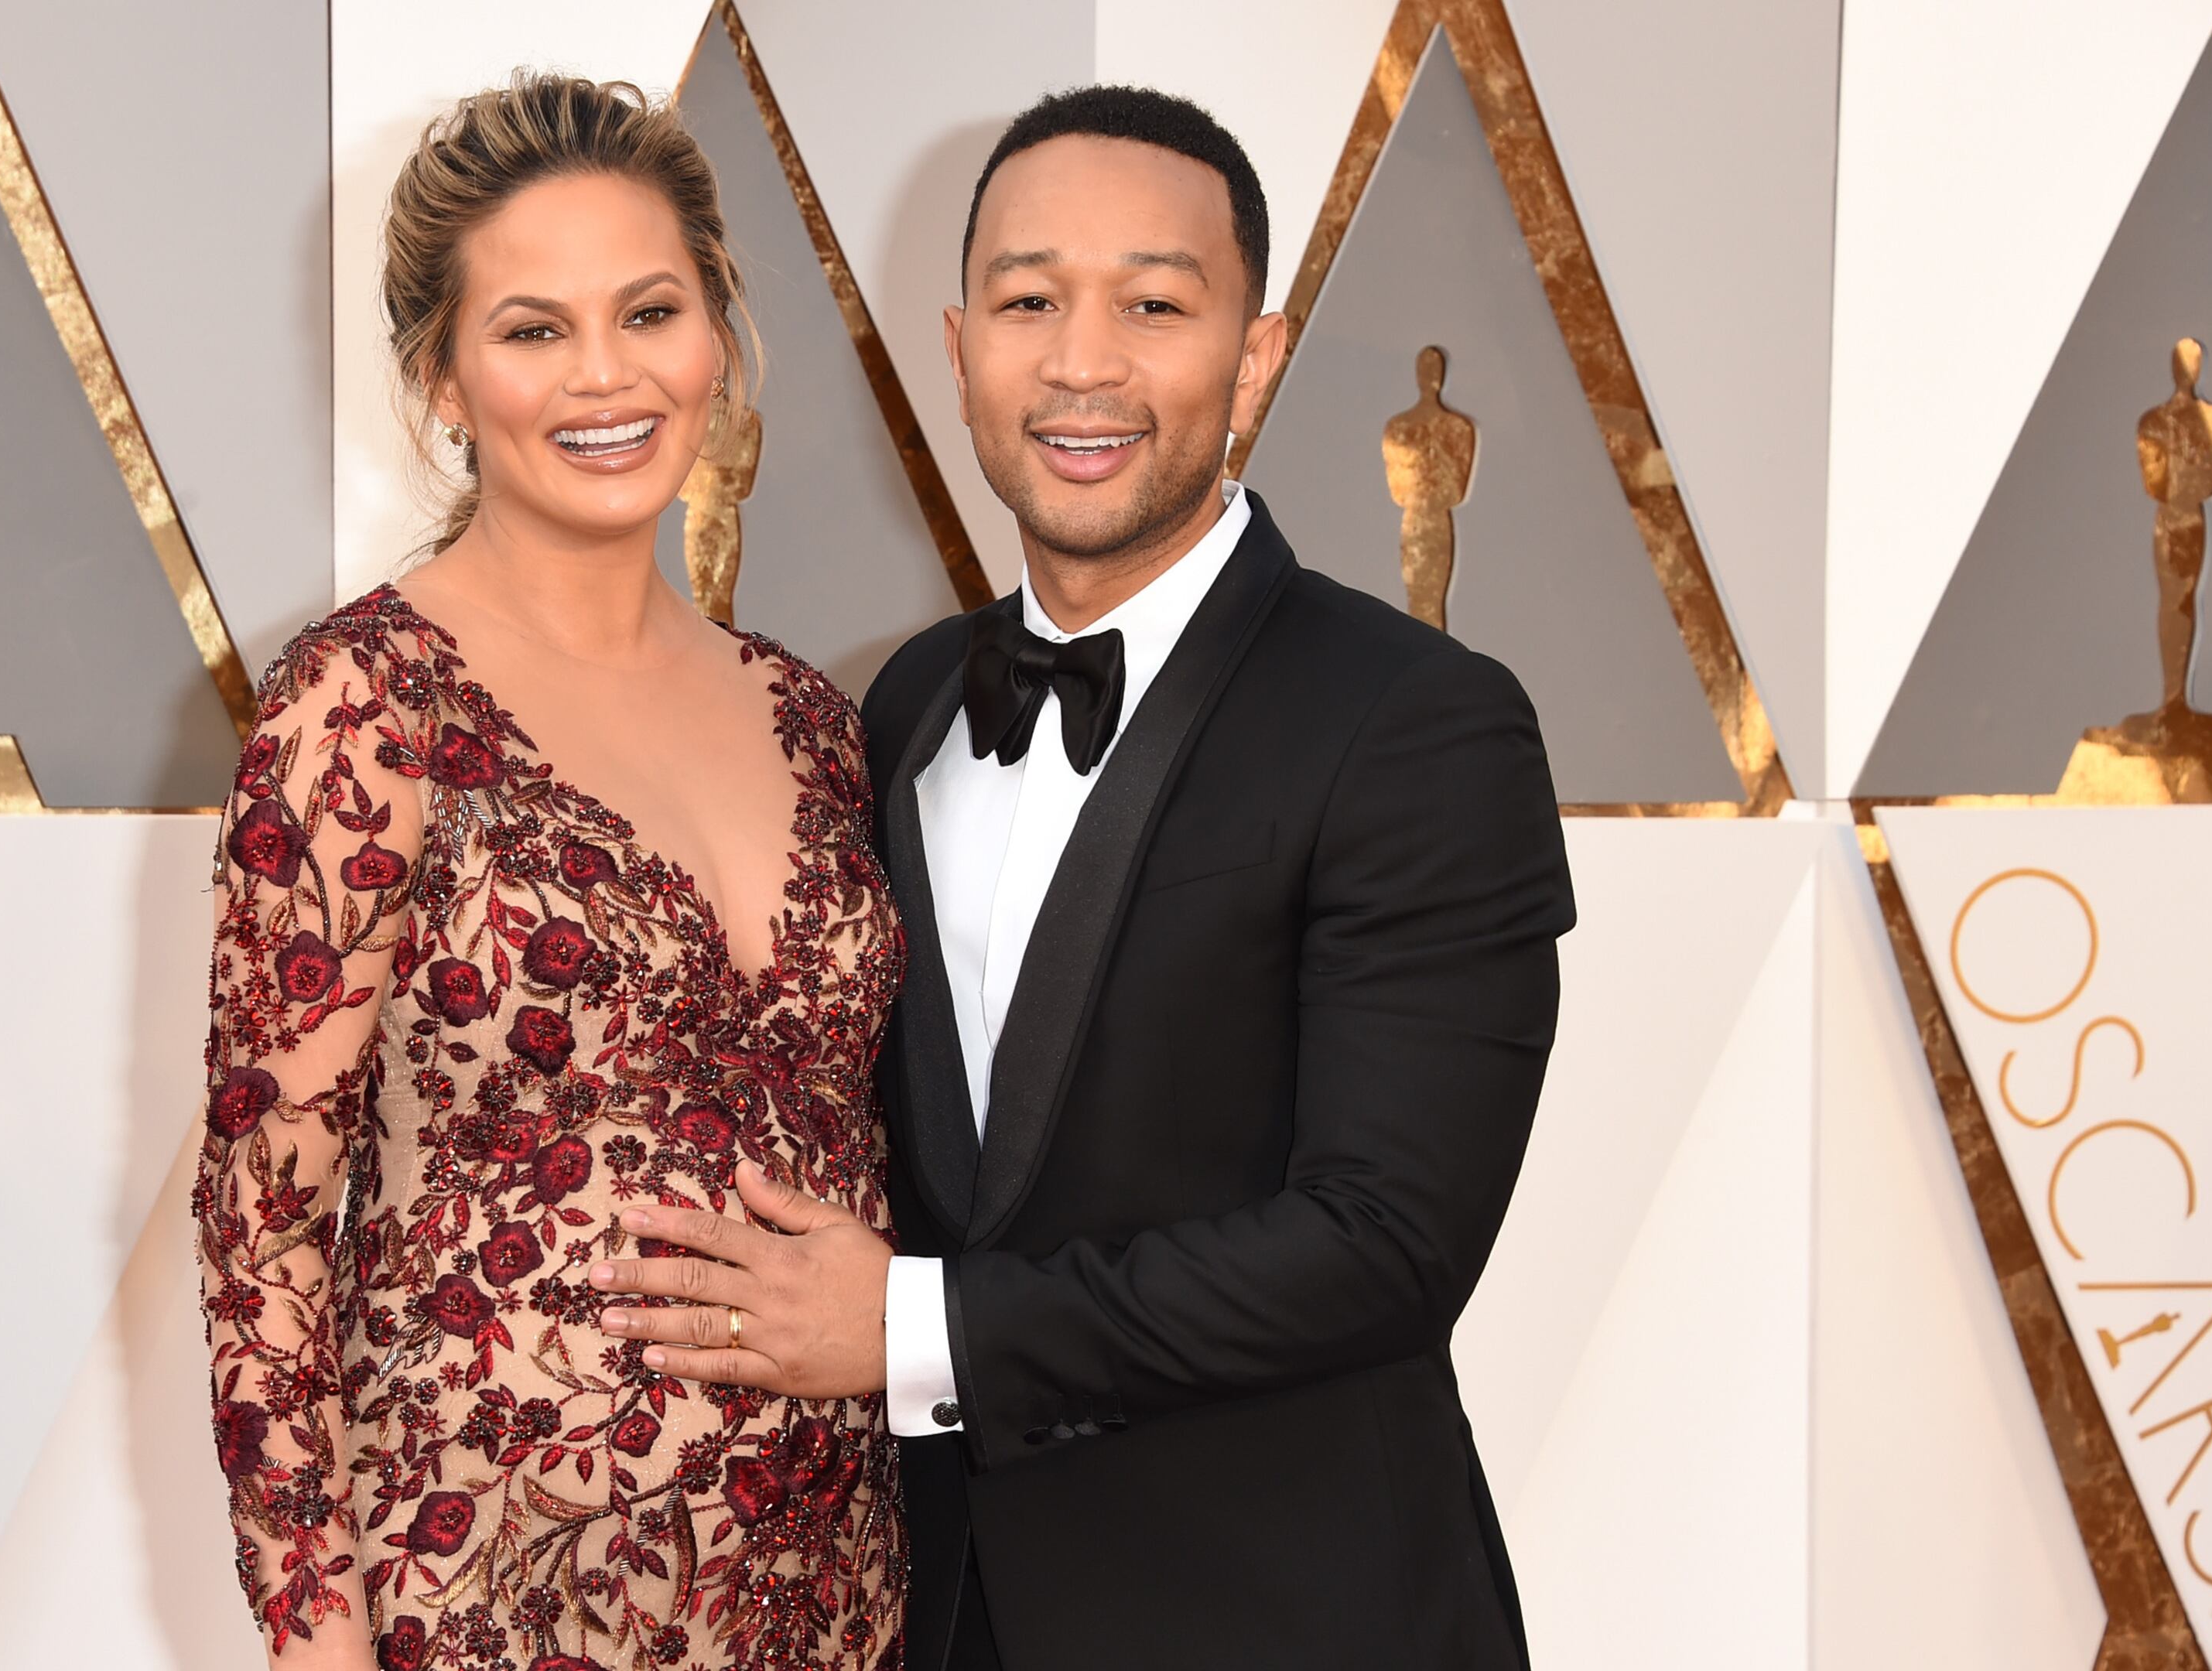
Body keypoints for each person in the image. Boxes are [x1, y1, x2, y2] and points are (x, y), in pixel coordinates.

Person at [590, 86, 1574, 1669]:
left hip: (1295, 1622)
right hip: (944, 1623)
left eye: (1156, 305)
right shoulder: (903, 705)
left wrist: (908, 1330)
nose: (1083, 362)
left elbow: (1388, 1242)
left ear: (1253, 358)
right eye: (1031, 300)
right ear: (962, 344)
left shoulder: (1416, 721)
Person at [196, 75, 906, 1670]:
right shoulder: (362, 707)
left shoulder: (815, 721)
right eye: (532, 330)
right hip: (490, 1589)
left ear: (716, 335)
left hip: (831, 1586)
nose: (606, 375)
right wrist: (314, 1645)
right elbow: (263, 1234)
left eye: (649, 310)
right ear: (440, 379)